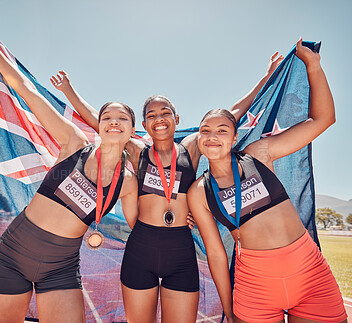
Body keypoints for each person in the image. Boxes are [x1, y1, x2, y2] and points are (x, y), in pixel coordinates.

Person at [49, 53, 283, 322]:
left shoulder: (193, 148)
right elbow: (100, 121)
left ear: (176, 118)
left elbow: (230, 115)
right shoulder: (138, 151)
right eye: (151, 115)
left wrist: (266, 78)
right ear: (145, 125)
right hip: (141, 248)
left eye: (165, 113)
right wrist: (68, 90)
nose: (159, 118)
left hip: (181, 251)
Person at [0, 15, 138, 323]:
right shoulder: (73, 141)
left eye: (122, 118)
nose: (114, 121)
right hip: (13, 255)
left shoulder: (128, 182)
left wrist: (179, 217)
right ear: (98, 124)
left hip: (61, 267)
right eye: (107, 116)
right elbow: (27, 92)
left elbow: (142, 225)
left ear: (131, 130)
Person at [187, 38, 347, 323]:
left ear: (234, 137)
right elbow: (216, 254)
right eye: (205, 130)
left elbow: (322, 120)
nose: (212, 136)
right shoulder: (199, 191)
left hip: (310, 276)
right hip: (255, 288)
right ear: (199, 138)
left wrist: (313, 66)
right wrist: (229, 309)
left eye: (222, 130)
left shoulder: (258, 154)